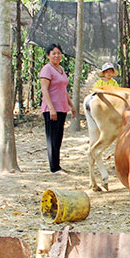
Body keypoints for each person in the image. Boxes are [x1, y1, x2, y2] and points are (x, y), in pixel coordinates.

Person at [40, 43, 76, 173]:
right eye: (53, 53)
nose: (56, 55)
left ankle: (57, 165)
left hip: (62, 108)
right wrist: (51, 109)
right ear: (48, 55)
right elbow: (44, 89)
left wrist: (71, 105)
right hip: (51, 108)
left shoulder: (60, 69)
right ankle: (53, 168)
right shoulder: (47, 69)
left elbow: (63, 90)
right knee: (52, 137)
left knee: (58, 137)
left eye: (59, 53)